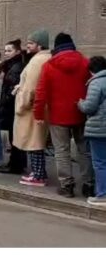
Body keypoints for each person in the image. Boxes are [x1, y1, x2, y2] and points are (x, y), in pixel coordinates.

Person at [34, 33, 94, 197]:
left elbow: (41, 92)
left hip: (58, 115)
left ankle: (67, 185)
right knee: (84, 150)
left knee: (61, 151)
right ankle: (89, 184)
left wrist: (38, 114)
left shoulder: (49, 65)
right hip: (81, 112)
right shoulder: (85, 62)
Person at [14, 29, 52, 187]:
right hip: (40, 106)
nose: (27, 46)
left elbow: (31, 87)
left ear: (39, 45)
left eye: (30, 43)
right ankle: (38, 173)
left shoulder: (38, 61)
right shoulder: (44, 58)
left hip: (32, 109)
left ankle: (38, 175)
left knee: (33, 142)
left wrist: (21, 105)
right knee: (35, 141)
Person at [78, 56, 106, 206]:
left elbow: (90, 107)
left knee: (100, 162)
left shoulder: (96, 82)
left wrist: (80, 103)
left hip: (99, 129)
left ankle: (102, 195)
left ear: (91, 70)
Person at [0, 39, 29, 175]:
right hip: (11, 105)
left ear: (17, 51)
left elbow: (13, 87)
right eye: (5, 50)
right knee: (14, 136)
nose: (6, 53)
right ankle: (16, 163)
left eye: (9, 50)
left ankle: (16, 164)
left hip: (13, 106)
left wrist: (7, 100)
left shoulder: (16, 66)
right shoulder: (11, 65)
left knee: (15, 136)